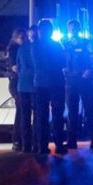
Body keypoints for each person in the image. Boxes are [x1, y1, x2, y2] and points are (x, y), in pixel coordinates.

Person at [63, 19, 93, 150]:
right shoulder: (65, 44)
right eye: (71, 29)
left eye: (75, 28)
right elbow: (60, 59)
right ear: (68, 30)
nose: (73, 31)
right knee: (72, 112)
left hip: (85, 80)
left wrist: (91, 69)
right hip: (71, 82)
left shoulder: (87, 43)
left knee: (90, 110)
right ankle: (72, 141)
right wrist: (63, 68)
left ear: (79, 29)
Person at [31, 19, 67, 155]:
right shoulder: (57, 46)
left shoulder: (33, 46)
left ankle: (42, 146)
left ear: (39, 31)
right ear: (51, 31)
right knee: (58, 115)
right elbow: (63, 62)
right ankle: (59, 144)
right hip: (56, 82)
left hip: (40, 83)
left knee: (41, 116)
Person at [6, 28, 27, 152]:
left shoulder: (18, 49)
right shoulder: (14, 50)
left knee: (22, 111)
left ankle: (19, 140)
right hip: (16, 83)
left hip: (19, 83)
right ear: (15, 38)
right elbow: (15, 68)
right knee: (21, 111)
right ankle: (17, 140)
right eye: (21, 38)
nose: (23, 40)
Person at [16, 30, 37, 153]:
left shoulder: (21, 48)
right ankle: (36, 143)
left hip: (22, 86)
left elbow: (18, 65)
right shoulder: (37, 48)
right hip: (35, 85)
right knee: (37, 116)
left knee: (25, 116)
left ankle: (26, 145)